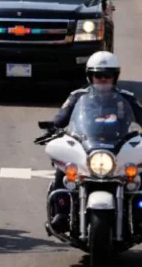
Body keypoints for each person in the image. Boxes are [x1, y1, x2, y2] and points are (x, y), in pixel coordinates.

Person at [46, 51, 142, 232]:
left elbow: (140, 115)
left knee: (137, 172)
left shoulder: (127, 98)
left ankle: (138, 215)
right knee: (65, 169)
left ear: (115, 77)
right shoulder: (77, 96)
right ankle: (62, 212)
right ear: (90, 76)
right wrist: (53, 126)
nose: (103, 79)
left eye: (108, 75)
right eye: (98, 75)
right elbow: (62, 117)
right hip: (86, 144)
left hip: (118, 146)